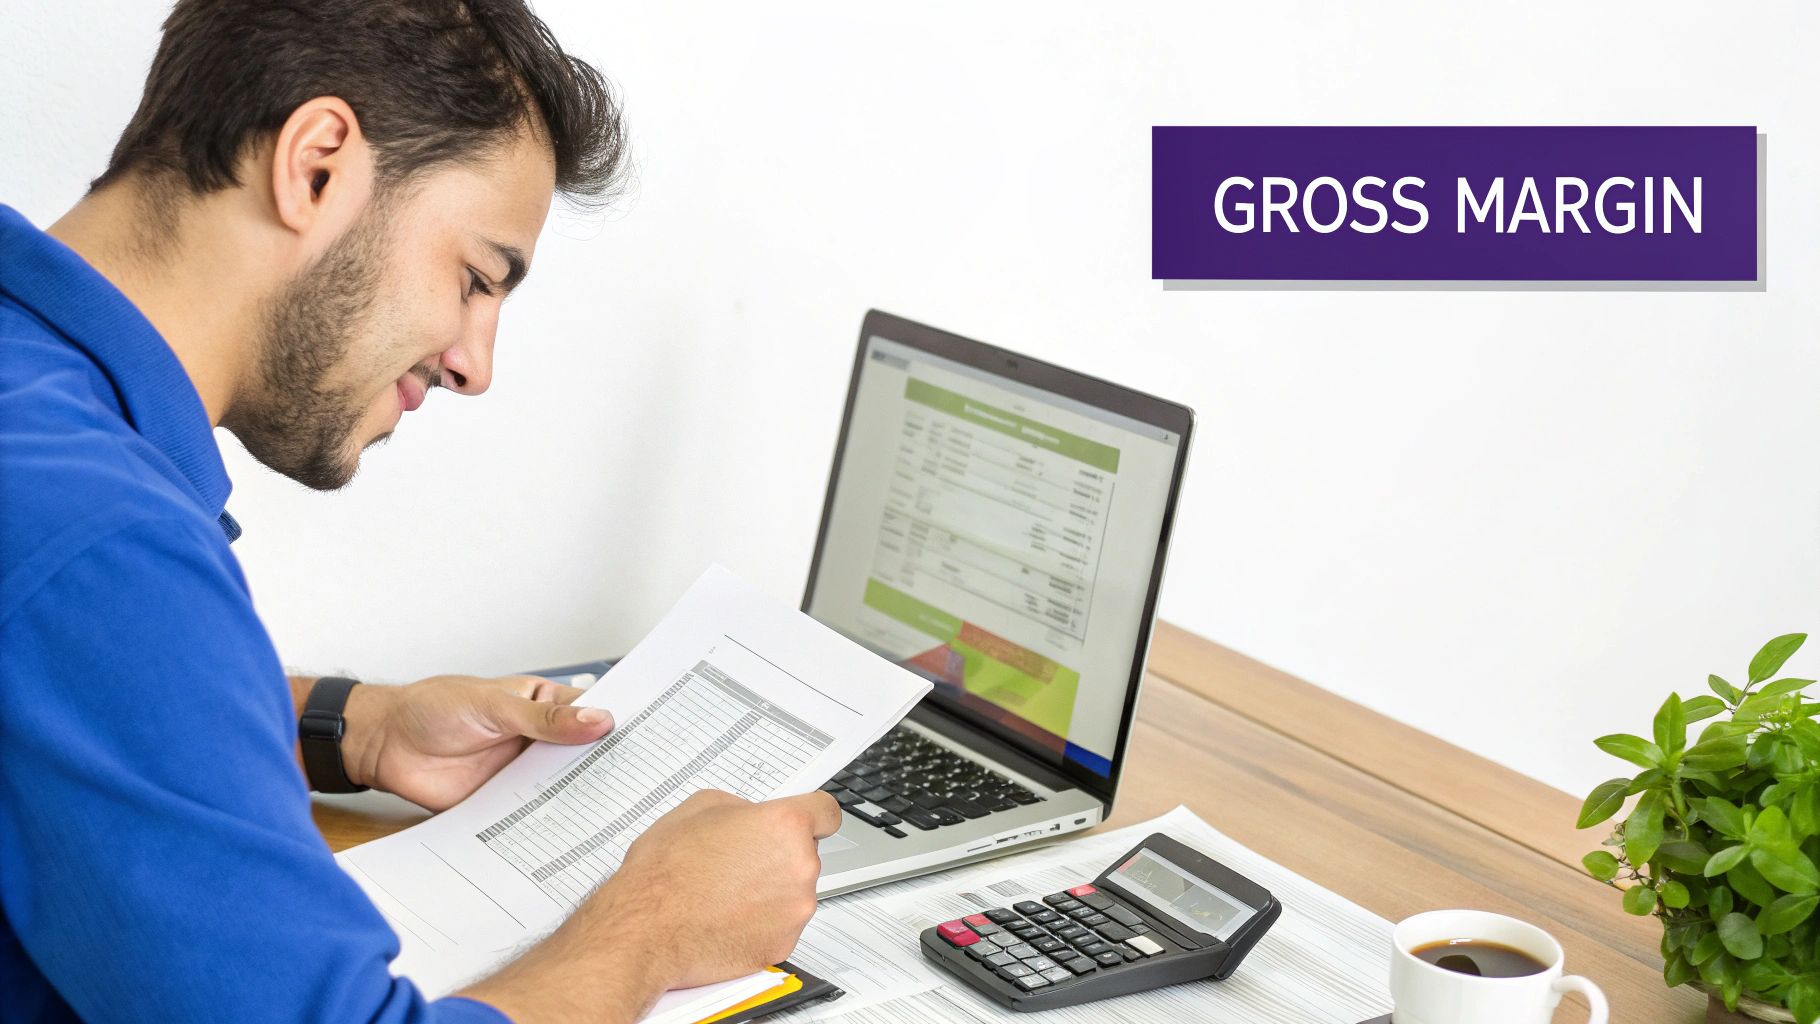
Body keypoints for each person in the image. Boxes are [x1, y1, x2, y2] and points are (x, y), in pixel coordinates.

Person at [0, 2, 840, 1021]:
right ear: (316, 167)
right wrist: (658, 925)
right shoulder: (100, 540)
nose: (474, 365)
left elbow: (51, 697)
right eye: (476, 279)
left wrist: (351, 727)